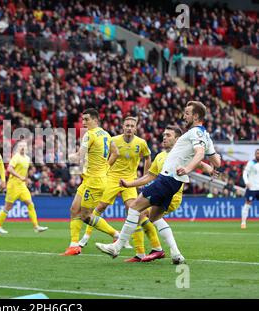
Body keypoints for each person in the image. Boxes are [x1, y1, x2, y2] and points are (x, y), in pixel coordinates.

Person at [96, 101, 221, 264]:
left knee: (134, 207)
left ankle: (117, 246)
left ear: (196, 116)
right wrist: (130, 184)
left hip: (168, 178)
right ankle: (176, 254)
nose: (184, 116)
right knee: (154, 216)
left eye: (188, 113)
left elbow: (200, 153)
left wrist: (188, 168)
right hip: (173, 183)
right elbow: (216, 161)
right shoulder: (205, 135)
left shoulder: (195, 133)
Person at [120, 126, 219, 262]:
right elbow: (150, 176)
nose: (164, 138)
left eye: (168, 135)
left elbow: (198, 160)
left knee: (139, 212)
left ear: (177, 139)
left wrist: (207, 167)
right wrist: (130, 184)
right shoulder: (160, 156)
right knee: (147, 215)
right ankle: (169, 252)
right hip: (162, 189)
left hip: (173, 195)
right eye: (163, 135)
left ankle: (143, 249)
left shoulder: (183, 152)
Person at [78, 116, 153, 249]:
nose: (129, 128)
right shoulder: (113, 140)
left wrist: (145, 176)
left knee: (132, 210)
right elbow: (103, 155)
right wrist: (103, 169)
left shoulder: (141, 143)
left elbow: (147, 158)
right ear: (123, 127)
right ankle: (86, 237)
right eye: (127, 125)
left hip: (130, 180)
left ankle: (124, 240)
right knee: (100, 207)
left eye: (132, 126)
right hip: (112, 178)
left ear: (136, 128)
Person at [62, 108, 120, 256]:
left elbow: (79, 156)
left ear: (95, 119)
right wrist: (106, 167)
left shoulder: (90, 134)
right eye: (83, 119)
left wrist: (68, 157)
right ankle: (74, 245)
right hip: (90, 179)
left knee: (85, 216)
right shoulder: (106, 134)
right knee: (74, 209)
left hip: (95, 181)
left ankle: (116, 235)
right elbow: (116, 153)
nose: (84, 122)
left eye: (87, 119)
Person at [0, 140, 48, 234]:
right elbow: (9, 169)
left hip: (22, 185)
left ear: (27, 148)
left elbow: (25, 171)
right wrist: (20, 177)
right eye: (21, 146)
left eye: (24, 146)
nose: (23, 147)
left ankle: (36, 226)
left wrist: (26, 180)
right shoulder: (16, 157)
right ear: (18, 148)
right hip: (13, 185)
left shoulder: (27, 158)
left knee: (30, 204)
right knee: (8, 207)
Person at [241, 148, 259, 229]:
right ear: (255, 154)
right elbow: (245, 173)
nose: (258, 155)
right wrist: (246, 182)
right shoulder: (251, 163)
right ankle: (243, 222)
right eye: (257, 153)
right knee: (247, 204)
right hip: (252, 188)